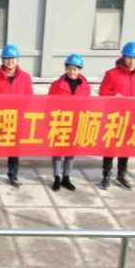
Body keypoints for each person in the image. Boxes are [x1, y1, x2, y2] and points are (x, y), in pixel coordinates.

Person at [99, 41, 135, 191]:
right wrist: (113, 95)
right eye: (129, 57)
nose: (131, 61)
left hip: (132, 117)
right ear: (123, 57)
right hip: (115, 117)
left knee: (125, 148)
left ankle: (121, 175)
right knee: (110, 148)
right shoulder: (112, 74)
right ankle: (106, 175)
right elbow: (102, 92)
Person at [0, 44, 33, 189]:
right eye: (7, 58)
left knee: (14, 149)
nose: (10, 61)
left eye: (12, 58)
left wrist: (18, 112)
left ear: (17, 60)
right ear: (2, 60)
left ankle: (13, 175)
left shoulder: (25, 77)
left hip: (16, 119)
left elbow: (29, 98)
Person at [47, 54, 91, 192]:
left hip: (76, 123)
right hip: (60, 122)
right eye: (70, 68)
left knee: (71, 151)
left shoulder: (85, 87)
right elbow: (49, 104)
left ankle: (66, 177)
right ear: (66, 69)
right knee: (58, 151)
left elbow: (88, 105)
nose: (72, 72)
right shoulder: (56, 85)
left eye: (75, 69)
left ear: (80, 70)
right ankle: (57, 177)